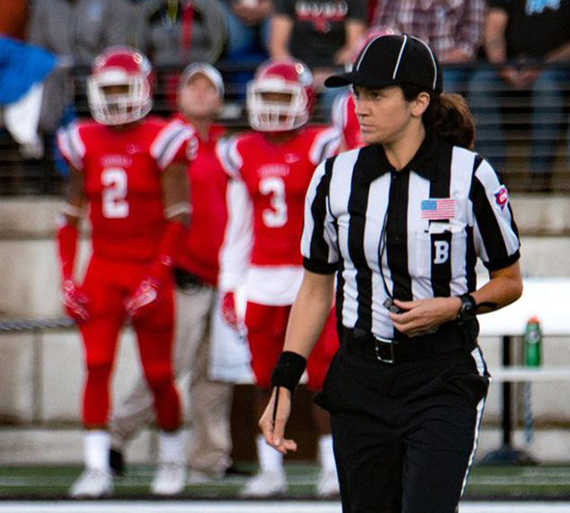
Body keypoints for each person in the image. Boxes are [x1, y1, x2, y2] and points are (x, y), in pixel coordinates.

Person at [259, 34, 523, 513]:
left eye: (377, 95)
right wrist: (285, 379)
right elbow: (317, 288)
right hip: (360, 378)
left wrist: (457, 306)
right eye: (358, 94)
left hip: (440, 376)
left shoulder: (470, 176)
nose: (361, 107)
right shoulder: (333, 177)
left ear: (420, 101)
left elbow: (509, 279)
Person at [56, 46, 197, 498]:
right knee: (96, 365)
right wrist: (66, 277)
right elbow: (68, 216)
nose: (116, 99)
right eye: (108, 90)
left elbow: (179, 216)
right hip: (103, 268)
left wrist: (156, 277)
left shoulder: (164, 137)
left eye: (123, 88)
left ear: (144, 89)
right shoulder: (83, 138)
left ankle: (174, 458)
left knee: (158, 374)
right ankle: (97, 466)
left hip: (147, 268)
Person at [217, 58, 342, 497]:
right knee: (264, 377)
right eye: (266, 96)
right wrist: (231, 285)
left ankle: (332, 466)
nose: (272, 107)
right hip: (262, 277)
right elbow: (238, 226)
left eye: (281, 96)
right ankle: (270, 467)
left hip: (312, 276)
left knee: (323, 374)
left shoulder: (320, 145)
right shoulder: (241, 150)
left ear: (304, 100)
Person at [108, 63, 238, 482]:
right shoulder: (165, 141)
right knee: (167, 366)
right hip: (182, 271)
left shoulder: (227, 146)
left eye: (209, 89)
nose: (201, 95)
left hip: (225, 274)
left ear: (220, 99)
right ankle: (115, 435)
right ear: (178, 96)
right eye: (192, 87)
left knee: (215, 374)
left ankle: (210, 457)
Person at [466, 0, 570, 188]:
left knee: (546, 86)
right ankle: (493, 177)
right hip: (510, 66)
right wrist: (503, 67)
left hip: (557, 69)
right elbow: (493, 30)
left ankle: (539, 177)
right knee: (480, 84)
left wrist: (543, 64)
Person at [270, 0, 368, 117]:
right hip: (300, 69)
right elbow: (277, 47)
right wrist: (302, 76)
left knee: (335, 92)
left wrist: (329, 74)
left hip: (337, 71)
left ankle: (335, 134)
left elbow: (354, 48)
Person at [372, 0, 486, 93]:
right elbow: (383, 31)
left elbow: (470, 39)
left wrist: (433, 68)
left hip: (448, 67)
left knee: (441, 87)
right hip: (404, 66)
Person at [29, 0, 134, 67]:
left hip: (100, 78)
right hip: (58, 80)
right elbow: (36, 49)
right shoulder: (44, 2)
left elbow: (117, 51)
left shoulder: (113, 0)